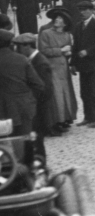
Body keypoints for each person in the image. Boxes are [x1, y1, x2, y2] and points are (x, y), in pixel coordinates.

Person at [13, 33, 53, 164]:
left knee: (37, 140)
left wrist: (29, 99)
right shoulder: (31, 60)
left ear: (26, 47)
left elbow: (45, 90)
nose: (16, 51)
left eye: (18, 47)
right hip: (34, 109)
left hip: (38, 110)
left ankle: (40, 166)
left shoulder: (40, 63)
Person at [0, 28, 45, 139]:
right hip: (24, 108)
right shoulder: (22, 59)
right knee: (25, 142)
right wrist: (28, 98)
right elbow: (39, 85)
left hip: (2, 113)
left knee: (4, 145)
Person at [72, 0, 95, 128]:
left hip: (94, 63)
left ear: (92, 11)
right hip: (83, 65)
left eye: (85, 10)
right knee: (84, 93)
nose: (82, 13)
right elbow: (75, 46)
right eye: (80, 10)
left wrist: (88, 51)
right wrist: (73, 63)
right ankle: (89, 117)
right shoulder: (78, 26)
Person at [38, 7, 77, 131]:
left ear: (65, 23)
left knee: (66, 93)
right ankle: (57, 120)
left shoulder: (67, 35)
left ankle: (66, 118)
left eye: (60, 18)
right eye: (57, 18)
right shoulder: (46, 33)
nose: (57, 20)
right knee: (56, 95)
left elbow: (69, 49)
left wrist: (69, 53)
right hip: (52, 67)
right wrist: (60, 50)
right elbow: (43, 50)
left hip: (64, 68)